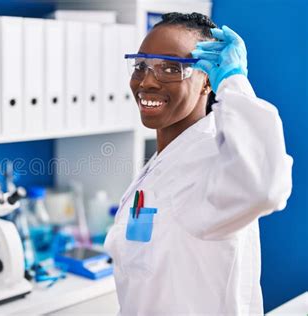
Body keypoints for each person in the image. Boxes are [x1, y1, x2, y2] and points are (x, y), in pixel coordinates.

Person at [104, 12, 293, 315]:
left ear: (207, 79)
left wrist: (234, 81)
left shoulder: (213, 161)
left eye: (170, 68)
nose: (147, 81)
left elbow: (266, 187)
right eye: (141, 65)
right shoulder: (166, 160)